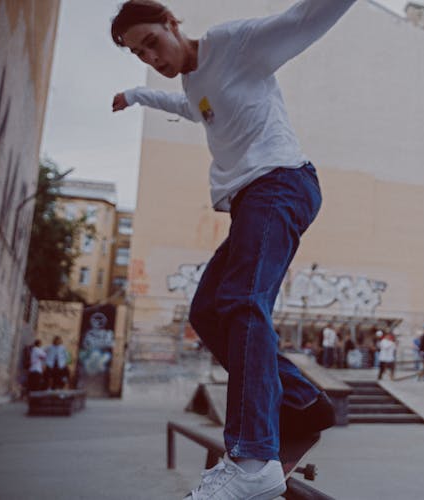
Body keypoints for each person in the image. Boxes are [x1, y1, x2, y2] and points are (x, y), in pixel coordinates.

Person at [110, 1, 356, 498]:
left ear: (172, 22)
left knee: (244, 302)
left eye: (152, 43)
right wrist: (136, 94)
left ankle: (252, 459)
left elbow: (301, 22)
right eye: (139, 54)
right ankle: (307, 403)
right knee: (208, 311)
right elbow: (192, 108)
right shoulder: (192, 83)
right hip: (252, 201)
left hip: (281, 182)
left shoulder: (235, 44)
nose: (151, 58)